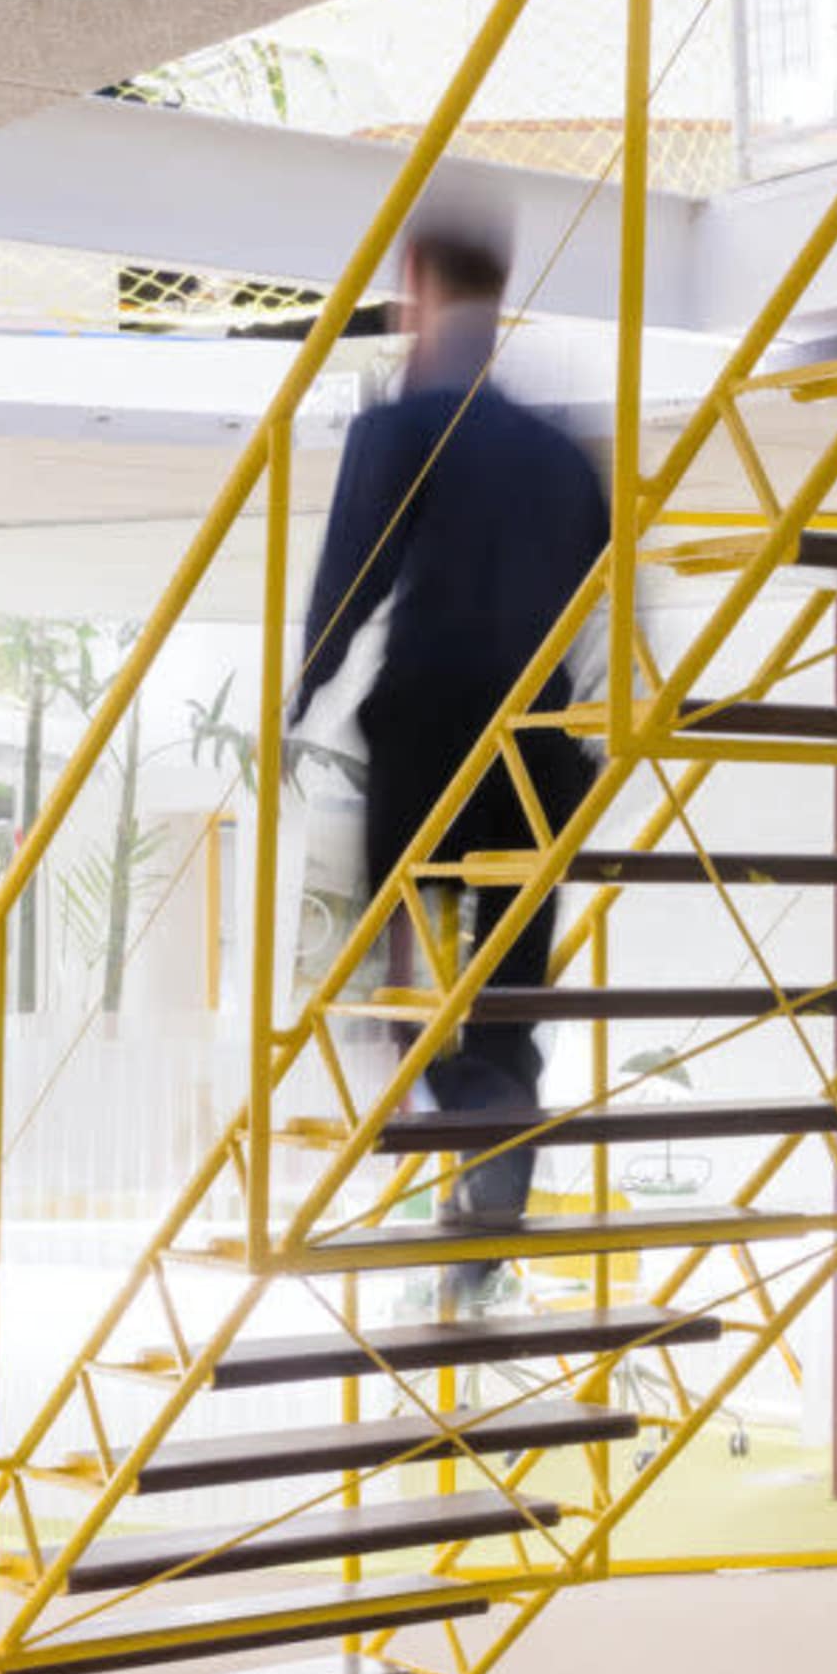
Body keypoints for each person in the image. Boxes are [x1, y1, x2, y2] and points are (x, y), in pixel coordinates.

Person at [294, 208, 608, 1314]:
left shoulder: (407, 423)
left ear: (412, 281)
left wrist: (306, 687)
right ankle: (488, 1199)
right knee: (510, 983)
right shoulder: (564, 445)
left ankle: (482, 1140)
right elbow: (598, 592)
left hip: (430, 733)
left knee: (416, 976)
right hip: (541, 744)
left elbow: (354, 571)